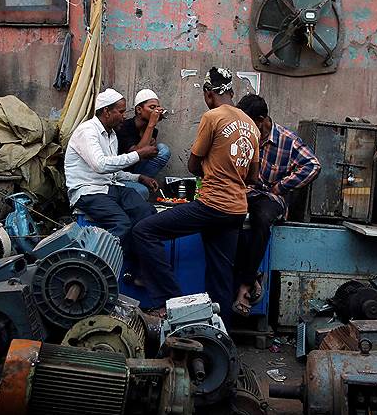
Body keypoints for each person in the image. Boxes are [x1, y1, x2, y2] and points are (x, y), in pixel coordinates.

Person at [132, 68, 260, 324]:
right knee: (220, 275)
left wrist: (211, 167)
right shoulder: (251, 125)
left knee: (144, 232)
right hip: (236, 209)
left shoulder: (212, 117)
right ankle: (221, 337)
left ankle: (171, 303)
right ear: (232, 92)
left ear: (208, 93)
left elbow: (192, 166)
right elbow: (252, 177)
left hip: (212, 204)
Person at [231, 94, 321, 316]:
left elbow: (313, 165)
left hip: (271, 198)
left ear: (262, 120)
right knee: (229, 217)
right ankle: (251, 276)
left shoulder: (287, 139)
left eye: (250, 123)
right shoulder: (242, 136)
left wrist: (281, 187)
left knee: (261, 220)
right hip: (245, 194)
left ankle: (245, 285)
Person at [64, 88, 159, 259]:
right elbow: (101, 165)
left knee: (147, 212)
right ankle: (94, 265)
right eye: (121, 111)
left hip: (109, 188)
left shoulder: (111, 135)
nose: (124, 116)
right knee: (122, 223)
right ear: (106, 111)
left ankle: (139, 268)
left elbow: (113, 171)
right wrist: (139, 154)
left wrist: (138, 178)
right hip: (88, 192)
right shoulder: (87, 131)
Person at [116, 89, 171, 200]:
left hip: (138, 171)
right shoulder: (125, 126)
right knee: (142, 192)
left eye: (157, 107)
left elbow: (146, 157)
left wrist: (151, 127)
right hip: (120, 173)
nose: (156, 111)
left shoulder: (153, 131)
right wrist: (151, 124)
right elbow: (136, 154)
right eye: (152, 107)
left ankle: (142, 182)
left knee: (163, 150)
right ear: (139, 109)